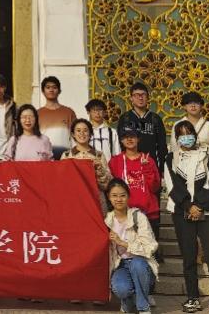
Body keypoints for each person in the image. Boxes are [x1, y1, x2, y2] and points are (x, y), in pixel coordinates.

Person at [163, 121, 209, 314]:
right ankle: (193, 298)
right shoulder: (171, 158)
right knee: (189, 258)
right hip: (182, 213)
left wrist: (200, 206)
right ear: (177, 138)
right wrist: (188, 206)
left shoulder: (208, 156)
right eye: (181, 134)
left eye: (189, 133)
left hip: (208, 212)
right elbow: (172, 185)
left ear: (195, 135)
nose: (186, 137)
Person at [106, 178, 159, 314]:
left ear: (128, 196)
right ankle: (128, 302)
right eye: (114, 196)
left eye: (122, 195)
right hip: (120, 265)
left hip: (142, 263)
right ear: (109, 197)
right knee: (121, 289)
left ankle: (143, 307)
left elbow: (150, 247)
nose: (119, 199)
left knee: (137, 264)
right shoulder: (107, 220)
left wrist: (123, 243)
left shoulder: (138, 217)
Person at [108, 122, 162, 253]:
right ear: (121, 140)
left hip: (148, 213)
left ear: (138, 139)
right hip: (124, 214)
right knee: (126, 252)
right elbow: (110, 188)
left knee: (149, 252)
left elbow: (155, 187)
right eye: (125, 137)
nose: (129, 139)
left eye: (132, 136)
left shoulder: (148, 160)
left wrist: (146, 168)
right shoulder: (115, 161)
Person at [62, 118, 112, 213]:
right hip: (74, 201)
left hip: (96, 200)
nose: (82, 133)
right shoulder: (67, 155)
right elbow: (62, 182)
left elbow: (107, 185)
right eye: (78, 130)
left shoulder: (99, 155)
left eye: (85, 130)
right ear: (73, 134)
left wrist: (99, 169)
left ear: (90, 134)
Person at [117, 82, 167, 175]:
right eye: (136, 95)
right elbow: (120, 144)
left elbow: (162, 145)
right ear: (131, 98)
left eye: (143, 94)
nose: (140, 98)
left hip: (151, 164)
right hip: (130, 164)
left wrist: (162, 168)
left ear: (147, 97)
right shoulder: (125, 118)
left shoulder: (155, 118)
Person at [37, 76, 77, 160]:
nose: (51, 90)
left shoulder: (69, 112)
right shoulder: (37, 113)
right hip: (43, 158)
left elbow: (76, 136)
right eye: (48, 87)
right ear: (43, 91)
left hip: (65, 157)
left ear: (59, 91)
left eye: (54, 87)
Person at [85, 98, 121, 162]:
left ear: (104, 112)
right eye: (94, 110)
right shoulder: (85, 131)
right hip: (88, 166)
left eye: (100, 110)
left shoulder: (112, 132)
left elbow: (117, 153)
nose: (97, 113)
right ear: (88, 112)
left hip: (108, 166)